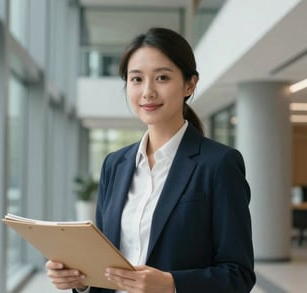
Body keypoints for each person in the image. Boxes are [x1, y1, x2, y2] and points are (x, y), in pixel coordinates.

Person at [46, 27, 256, 293]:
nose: (147, 92)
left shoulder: (219, 164)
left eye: (162, 77)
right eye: (136, 79)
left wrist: (172, 284)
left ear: (190, 84)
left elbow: (239, 275)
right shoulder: (115, 165)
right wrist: (81, 282)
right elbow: (106, 268)